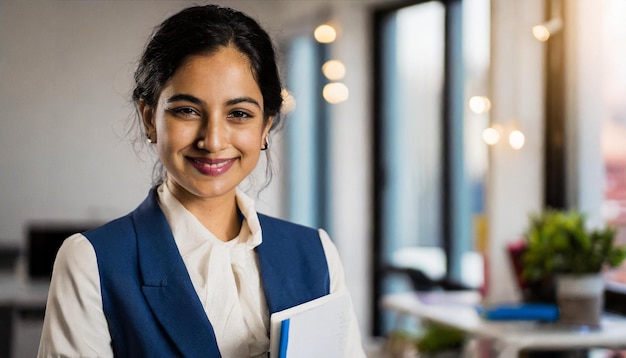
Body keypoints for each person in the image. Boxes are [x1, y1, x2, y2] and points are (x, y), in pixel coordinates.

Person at [37, 4, 365, 358]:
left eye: (239, 114)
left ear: (266, 126)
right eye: (187, 111)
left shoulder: (315, 253)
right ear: (149, 118)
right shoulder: (92, 262)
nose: (212, 140)